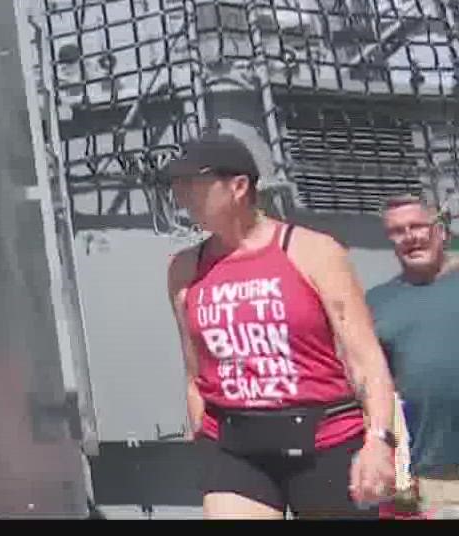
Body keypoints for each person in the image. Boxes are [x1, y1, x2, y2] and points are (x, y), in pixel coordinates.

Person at [161, 131, 399, 519]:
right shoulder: (183, 268)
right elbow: (195, 370)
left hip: (325, 441)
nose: (181, 193)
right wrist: (204, 441)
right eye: (177, 184)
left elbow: (365, 358)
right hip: (235, 445)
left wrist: (378, 440)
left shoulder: (314, 252)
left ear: (239, 186)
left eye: (193, 182)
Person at [367, 191, 459, 519]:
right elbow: (373, 392)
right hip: (434, 481)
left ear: (442, 230)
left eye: (418, 225)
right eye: (397, 230)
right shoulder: (377, 304)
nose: (409, 237)